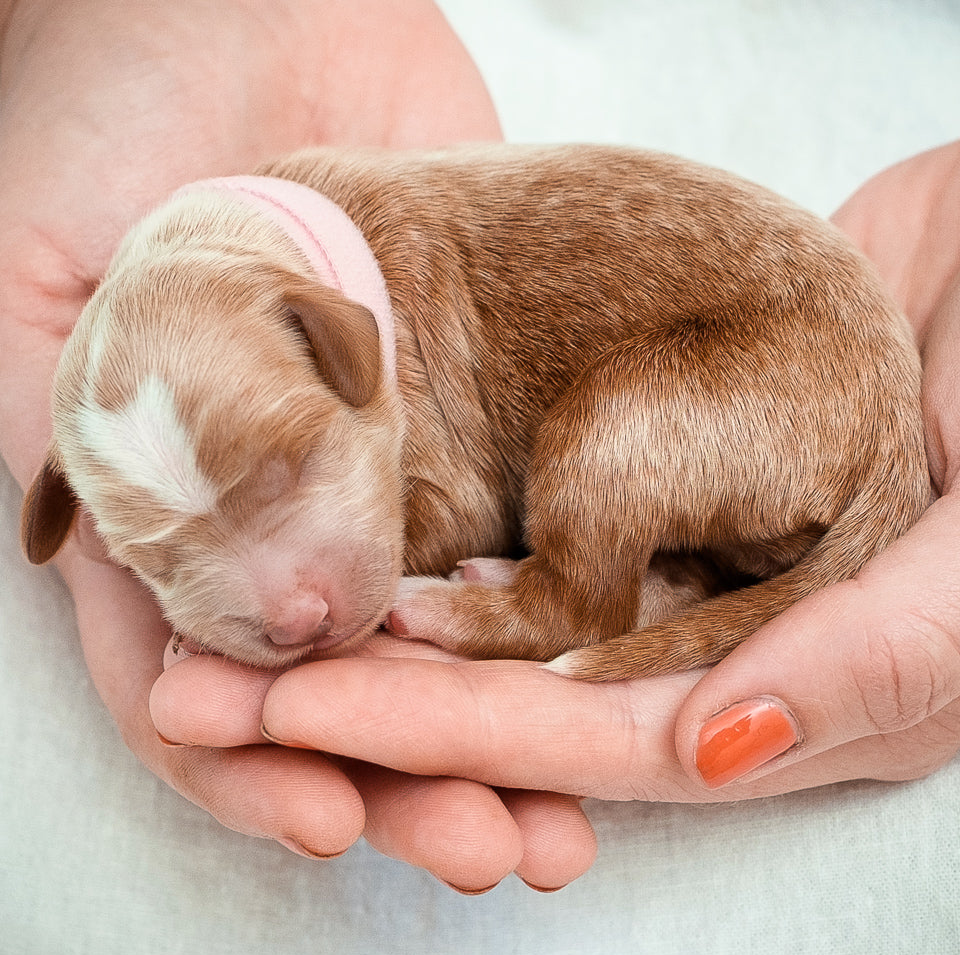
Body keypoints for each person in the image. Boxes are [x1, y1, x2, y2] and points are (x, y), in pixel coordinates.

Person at [2, 0, 958, 899]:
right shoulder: (284, 281)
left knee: (606, 448)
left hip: (770, 365)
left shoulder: (377, 290)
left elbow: (460, 501)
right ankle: (670, 579)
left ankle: (562, 605)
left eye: (287, 471)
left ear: (334, 340)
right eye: (165, 555)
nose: (288, 610)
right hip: (751, 430)